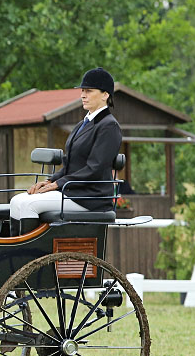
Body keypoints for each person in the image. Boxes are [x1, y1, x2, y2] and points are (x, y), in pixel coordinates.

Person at [9, 67, 122, 235]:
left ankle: (32, 257)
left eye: (89, 91)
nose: (83, 95)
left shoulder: (109, 126)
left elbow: (94, 168)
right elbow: (71, 165)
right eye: (82, 91)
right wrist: (49, 181)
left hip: (90, 198)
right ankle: (16, 253)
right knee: (16, 201)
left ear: (105, 95)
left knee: (28, 205)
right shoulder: (82, 124)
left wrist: (58, 184)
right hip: (72, 191)